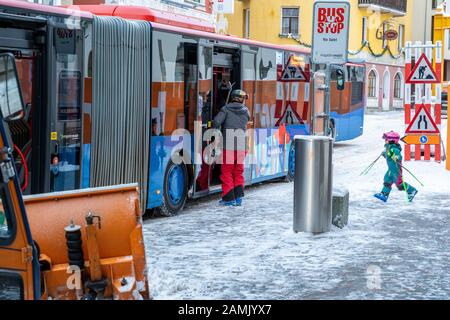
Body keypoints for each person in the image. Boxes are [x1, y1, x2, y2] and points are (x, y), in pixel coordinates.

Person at [213, 89, 250, 206]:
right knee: (238, 171)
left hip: (229, 145)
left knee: (227, 172)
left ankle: (229, 199)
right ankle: (238, 198)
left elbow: (216, 122)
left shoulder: (226, 109)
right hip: (242, 145)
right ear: (241, 99)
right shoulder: (246, 111)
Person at [374, 131, 418, 203]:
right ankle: (384, 194)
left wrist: (393, 156)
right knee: (387, 181)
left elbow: (398, 157)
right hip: (391, 170)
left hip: (396, 170)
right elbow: (389, 157)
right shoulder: (389, 148)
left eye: (386, 139)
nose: (385, 141)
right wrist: (385, 154)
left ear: (391, 140)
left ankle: (412, 190)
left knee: (399, 184)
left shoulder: (394, 149)